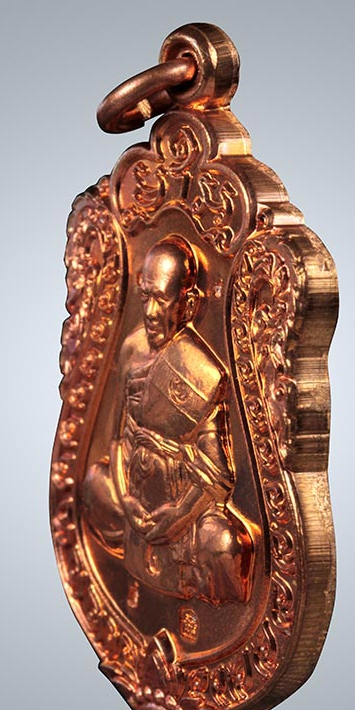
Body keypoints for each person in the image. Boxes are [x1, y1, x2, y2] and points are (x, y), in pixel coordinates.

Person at [83, 235, 251, 605]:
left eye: (162, 299)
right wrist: (126, 498)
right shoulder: (131, 348)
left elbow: (219, 476)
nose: (150, 312)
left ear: (188, 304)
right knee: (94, 484)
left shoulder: (202, 373)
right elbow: (116, 438)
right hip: (133, 490)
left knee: (224, 544)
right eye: (145, 296)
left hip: (181, 505)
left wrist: (176, 516)